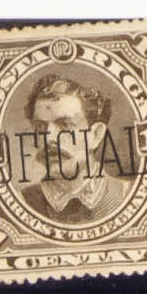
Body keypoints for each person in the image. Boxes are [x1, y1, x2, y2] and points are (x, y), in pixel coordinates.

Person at [13, 69, 122, 225]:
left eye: (65, 125)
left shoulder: (125, 195)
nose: (48, 138)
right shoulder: (23, 202)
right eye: (40, 127)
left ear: (96, 135)